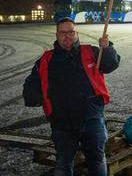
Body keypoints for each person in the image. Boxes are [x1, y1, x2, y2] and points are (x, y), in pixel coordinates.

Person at [23, 17, 120, 176]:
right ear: (57, 35)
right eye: (63, 33)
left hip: (92, 118)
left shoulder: (92, 52)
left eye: (71, 32)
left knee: (96, 160)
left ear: (76, 34)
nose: (67, 36)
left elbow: (110, 65)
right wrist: (36, 97)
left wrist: (108, 48)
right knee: (63, 163)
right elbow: (30, 86)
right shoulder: (46, 60)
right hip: (62, 123)